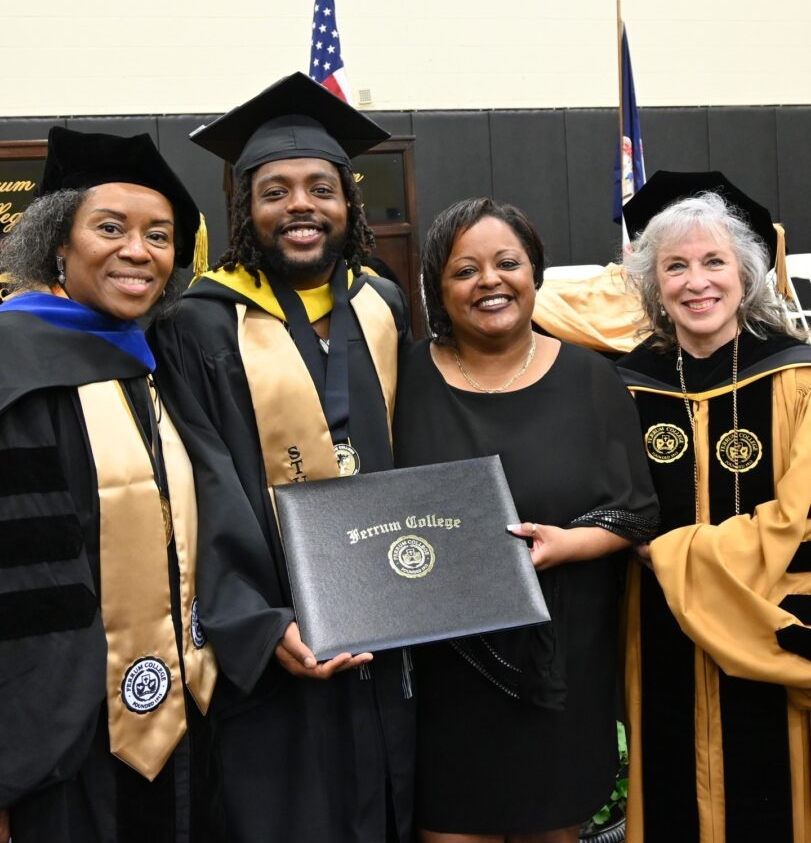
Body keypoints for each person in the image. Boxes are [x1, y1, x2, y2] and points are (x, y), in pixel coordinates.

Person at [151, 72, 415, 843]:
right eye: (274, 191)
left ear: (347, 204)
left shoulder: (381, 303)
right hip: (277, 645)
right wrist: (260, 626)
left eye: (319, 187)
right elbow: (202, 481)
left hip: (388, 622)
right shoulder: (199, 324)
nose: (300, 205)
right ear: (247, 210)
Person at [393, 198, 659, 843]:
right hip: (440, 669)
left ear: (535, 274)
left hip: (558, 661)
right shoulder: (400, 380)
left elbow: (636, 513)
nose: (489, 280)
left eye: (507, 262)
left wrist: (567, 544)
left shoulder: (592, 380)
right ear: (436, 288)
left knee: (550, 827)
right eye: (464, 270)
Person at [0, 128, 217, 843]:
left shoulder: (155, 363)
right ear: (56, 244)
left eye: (159, 235)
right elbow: (26, 575)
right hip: (61, 736)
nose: (138, 250)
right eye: (110, 228)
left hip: (185, 709)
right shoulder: (13, 362)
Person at [617, 170, 811, 843]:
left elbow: (800, 522)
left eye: (713, 261)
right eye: (674, 265)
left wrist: (669, 555)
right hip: (655, 645)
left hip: (766, 634)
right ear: (653, 283)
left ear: (746, 273)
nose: (695, 281)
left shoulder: (797, 377)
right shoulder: (623, 387)